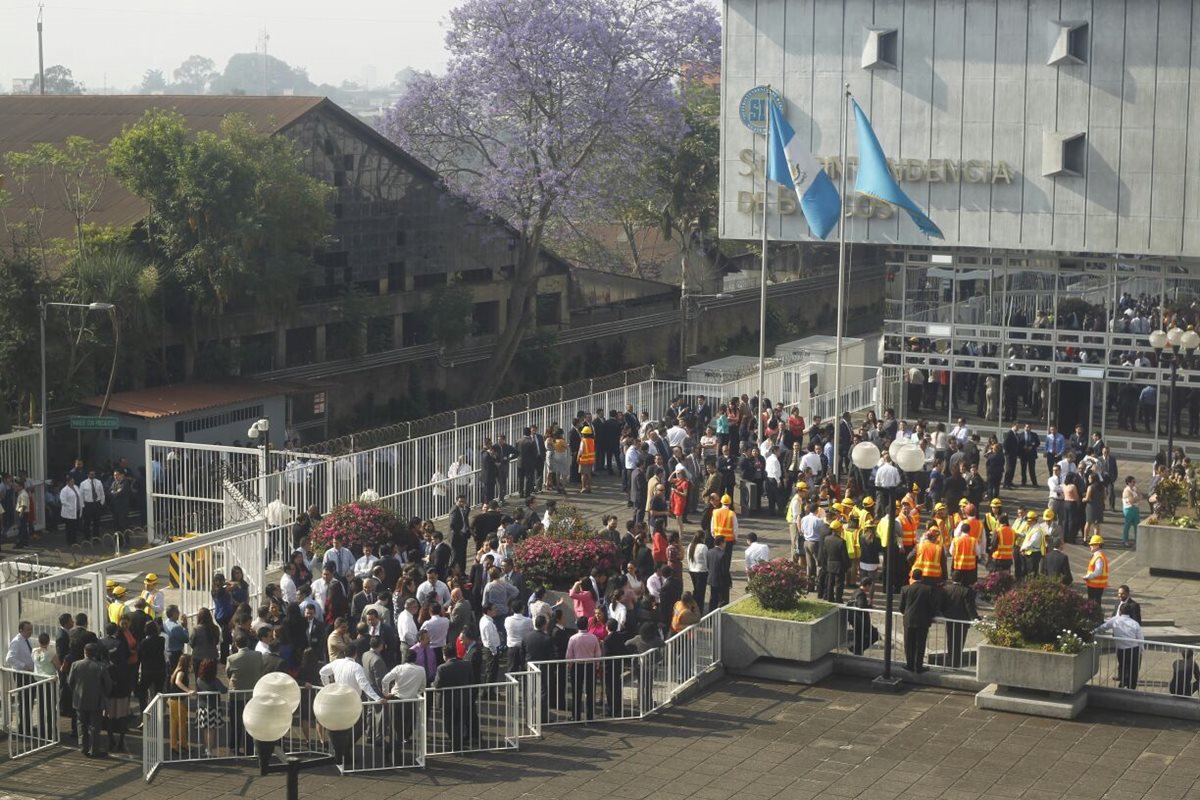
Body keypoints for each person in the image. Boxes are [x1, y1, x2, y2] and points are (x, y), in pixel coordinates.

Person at [67, 642, 113, 758]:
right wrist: (104, 694)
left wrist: (77, 692)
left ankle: (83, 746)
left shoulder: (75, 665)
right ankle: (94, 749)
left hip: (79, 699)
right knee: (95, 726)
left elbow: (70, 682)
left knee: (81, 724)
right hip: (96, 700)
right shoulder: (101, 666)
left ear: (84, 652)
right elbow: (108, 685)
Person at [566, 616, 602, 721]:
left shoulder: (573, 638)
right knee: (590, 691)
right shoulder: (593, 637)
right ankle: (590, 715)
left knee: (576, 691)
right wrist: (597, 664)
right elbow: (598, 653)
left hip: (577, 666)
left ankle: (576, 716)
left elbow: (569, 655)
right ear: (587, 625)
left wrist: (569, 666)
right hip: (590, 665)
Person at [1094, 612, 1143, 690]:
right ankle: (1131, 687)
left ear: (1120, 612)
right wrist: (1141, 650)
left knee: (1123, 666)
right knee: (1133, 669)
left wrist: (1094, 631)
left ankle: (1123, 684)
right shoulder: (1135, 623)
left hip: (1121, 648)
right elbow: (1140, 638)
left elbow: (1103, 627)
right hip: (1133, 648)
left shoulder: (1115, 620)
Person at [900, 569, 936, 673]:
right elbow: (931, 606)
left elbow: (901, 607)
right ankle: (918, 666)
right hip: (922, 620)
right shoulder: (928, 589)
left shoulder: (905, 589)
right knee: (920, 644)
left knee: (908, 643)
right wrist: (931, 616)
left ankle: (909, 664)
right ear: (922, 577)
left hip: (908, 619)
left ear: (912, 577)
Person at [940, 574, 980, 668]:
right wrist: (975, 618)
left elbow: (942, 605)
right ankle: (956, 663)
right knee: (959, 642)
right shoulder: (966, 591)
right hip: (962, 620)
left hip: (950, 619)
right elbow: (969, 607)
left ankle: (951, 661)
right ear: (962, 579)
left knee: (951, 641)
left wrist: (944, 614)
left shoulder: (946, 589)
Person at [1083, 535, 1110, 605]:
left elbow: (1098, 571)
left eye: (1092, 544)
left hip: (1095, 585)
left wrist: (1088, 577)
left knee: (1093, 604)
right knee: (1095, 603)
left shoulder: (1098, 557)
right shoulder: (1100, 556)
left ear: (1097, 545)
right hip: (1097, 585)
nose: (1090, 546)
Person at [1121, 476, 1142, 547]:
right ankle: (1125, 540)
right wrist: (1137, 498)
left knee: (1137, 525)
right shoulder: (1126, 490)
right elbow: (1131, 501)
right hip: (1129, 509)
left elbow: (1140, 496)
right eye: (1133, 482)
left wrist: (1136, 498)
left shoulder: (1134, 488)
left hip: (1135, 508)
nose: (1134, 483)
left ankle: (1137, 541)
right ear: (1129, 482)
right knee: (1127, 525)